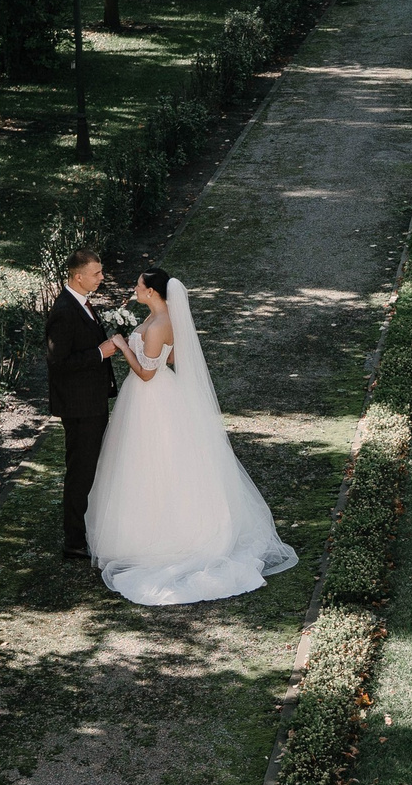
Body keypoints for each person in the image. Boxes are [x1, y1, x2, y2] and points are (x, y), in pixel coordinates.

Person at [84, 268, 298, 605]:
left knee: (154, 463)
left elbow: (146, 372)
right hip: (154, 397)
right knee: (149, 464)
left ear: (153, 291)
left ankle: (160, 535)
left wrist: (123, 345)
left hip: (150, 397)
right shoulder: (160, 318)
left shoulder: (157, 324)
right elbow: (170, 357)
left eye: (140, 285)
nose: (135, 289)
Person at [44, 247, 123, 560]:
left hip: (91, 402)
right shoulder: (64, 310)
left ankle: (87, 527)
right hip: (79, 408)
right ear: (78, 277)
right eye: (96, 274)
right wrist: (100, 353)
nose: (102, 278)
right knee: (81, 472)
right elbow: (58, 363)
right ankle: (74, 541)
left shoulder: (82, 304)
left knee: (90, 468)